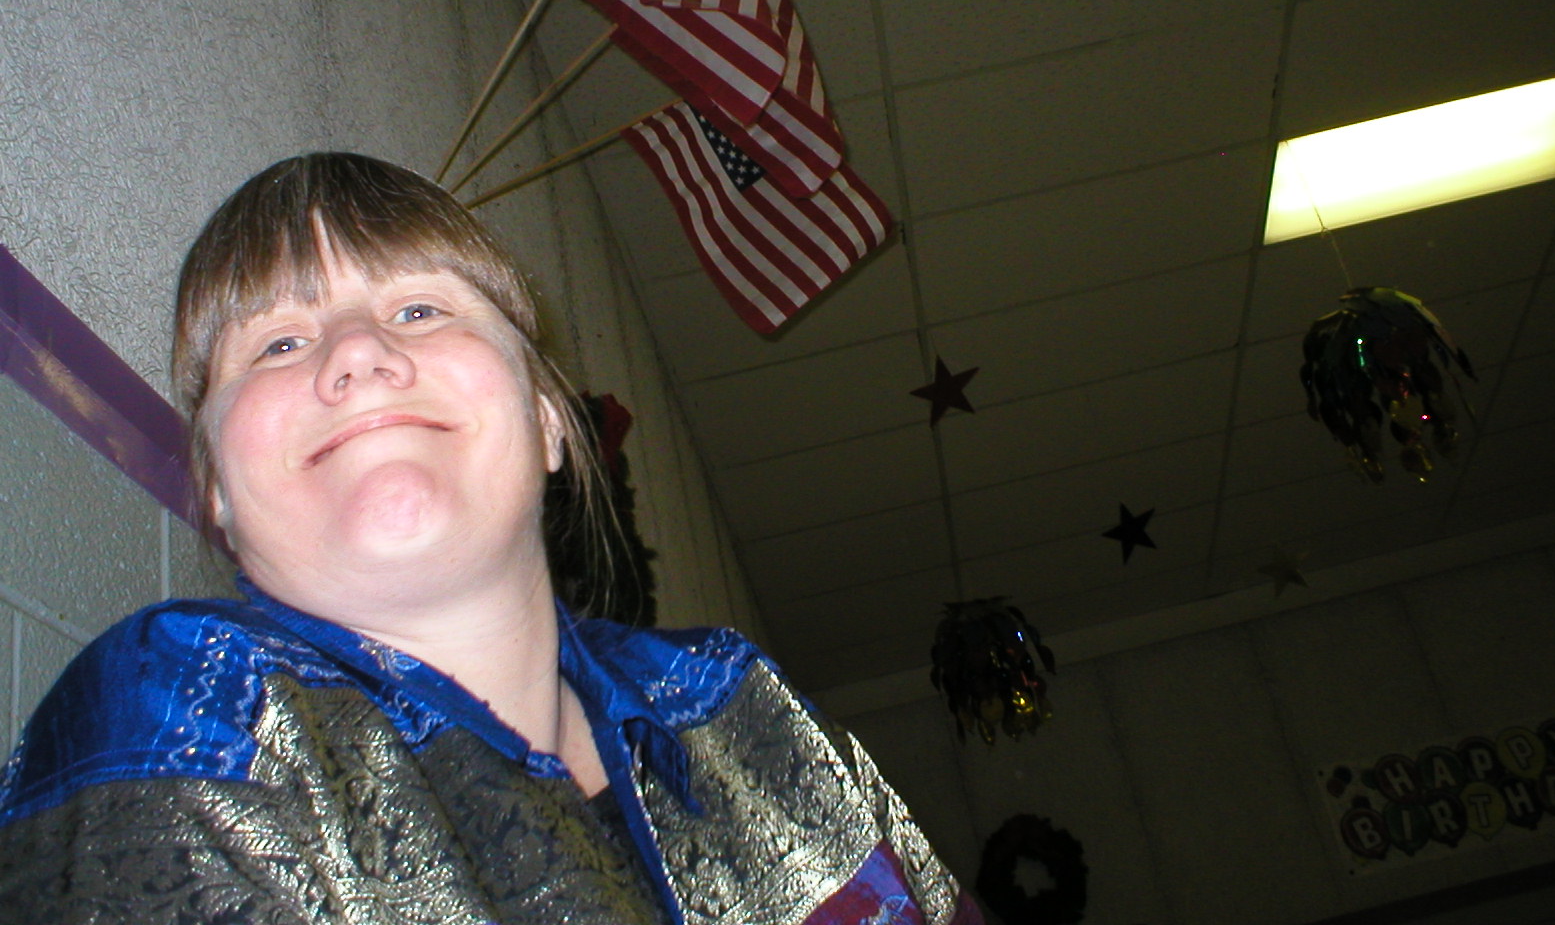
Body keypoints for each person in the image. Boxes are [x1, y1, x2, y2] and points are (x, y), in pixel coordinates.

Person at [0, 152, 980, 925]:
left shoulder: (741, 703)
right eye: (278, 343)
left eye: (420, 308)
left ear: (549, 420)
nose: (358, 353)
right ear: (217, 492)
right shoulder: (182, 714)